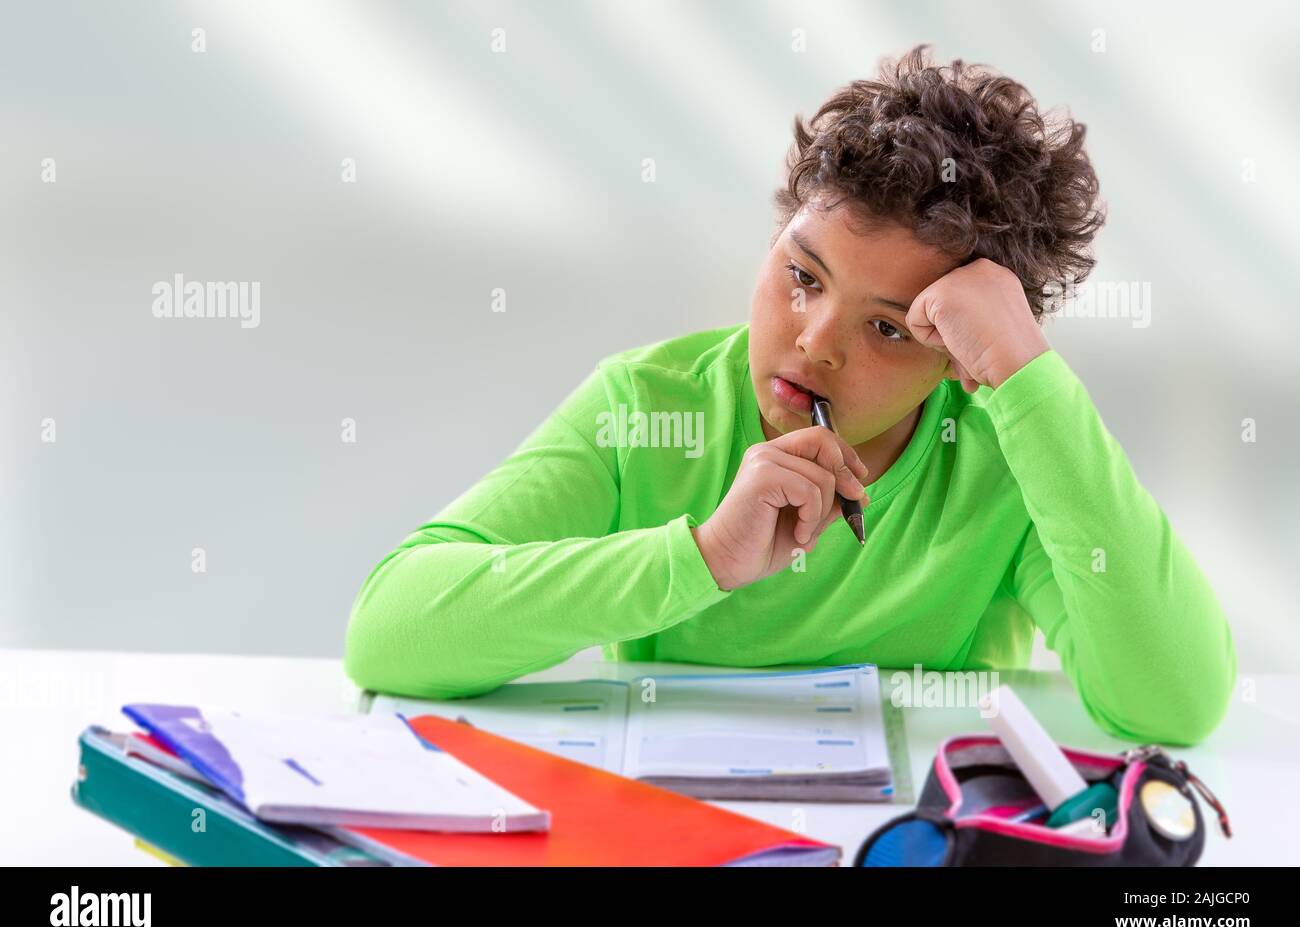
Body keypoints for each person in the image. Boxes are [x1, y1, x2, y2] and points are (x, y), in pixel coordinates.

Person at [343, 46, 1236, 746]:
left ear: (961, 357)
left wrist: (1029, 377)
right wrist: (698, 559)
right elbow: (389, 633)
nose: (813, 342)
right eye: (802, 277)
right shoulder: (647, 405)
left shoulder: (1014, 452)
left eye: (889, 329)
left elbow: (1175, 705)